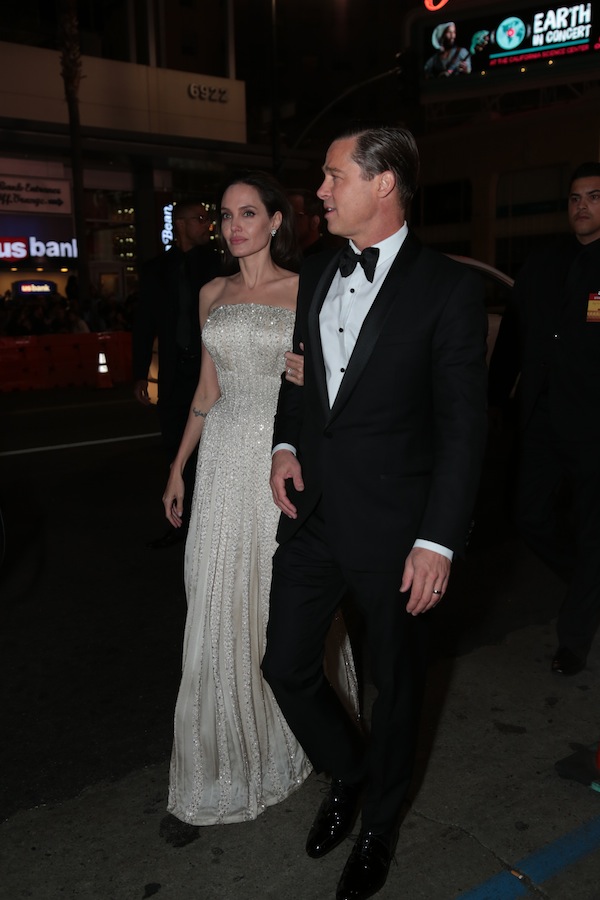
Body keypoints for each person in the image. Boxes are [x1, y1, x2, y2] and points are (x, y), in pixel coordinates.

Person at [262, 126, 488, 900]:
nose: (320, 192)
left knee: (395, 690)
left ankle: (379, 826)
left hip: (397, 531)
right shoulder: (319, 271)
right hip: (315, 514)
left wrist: (438, 541)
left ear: (383, 182)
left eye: (333, 177)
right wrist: (284, 446)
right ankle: (350, 770)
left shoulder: (449, 288)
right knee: (285, 665)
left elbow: (464, 429)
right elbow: (300, 381)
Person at [160, 171, 358, 840]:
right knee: (214, 602)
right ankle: (213, 771)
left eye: (248, 213)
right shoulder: (211, 293)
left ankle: (303, 737)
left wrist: (313, 374)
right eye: (225, 215)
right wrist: (178, 467)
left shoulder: (307, 289)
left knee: (275, 604)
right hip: (221, 464)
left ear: (277, 221)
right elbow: (206, 390)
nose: (234, 225)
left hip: (278, 461)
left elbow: (339, 384)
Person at [488, 162, 600, 678]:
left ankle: (573, 639)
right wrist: (495, 398)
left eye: (593, 197)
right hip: (540, 417)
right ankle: (588, 582)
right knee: (529, 515)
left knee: (593, 529)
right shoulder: (542, 263)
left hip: (594, 424)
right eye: (575, 198)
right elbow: (513, 335)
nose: (582, 206)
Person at [132, 199, 221, 549]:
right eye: (200, 218)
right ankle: (180, 524)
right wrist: (140, 374)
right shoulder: (155, 270)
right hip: (172, 376)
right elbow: (144, 326)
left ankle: (210, 525)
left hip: (210, 375)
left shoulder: (218, 264)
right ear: (180, 224)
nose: (207, 224)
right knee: (175, 451)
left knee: (209, 453)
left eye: (208, 218)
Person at [287, 188, 328, 256]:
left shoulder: (326, 258)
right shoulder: (286, 255)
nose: (286, 221)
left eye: (293, 215)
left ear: (314, 222)